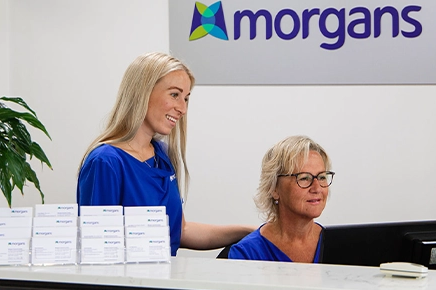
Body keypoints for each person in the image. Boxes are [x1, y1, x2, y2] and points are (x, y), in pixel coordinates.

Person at [77, 52, 253, 256]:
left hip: (164, 282)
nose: (183, 108)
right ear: (142, 92)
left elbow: (181, 231)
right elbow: (97, 252)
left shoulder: (162, 156)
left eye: (186, 98)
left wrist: (252, 232)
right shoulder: (106, 162)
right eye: (174, 95)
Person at [228, 135, 333, 263]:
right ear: (274, 188)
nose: (317, 188)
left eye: (322, 177)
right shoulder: (247, 254)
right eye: (304, 178)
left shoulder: (340, 245)